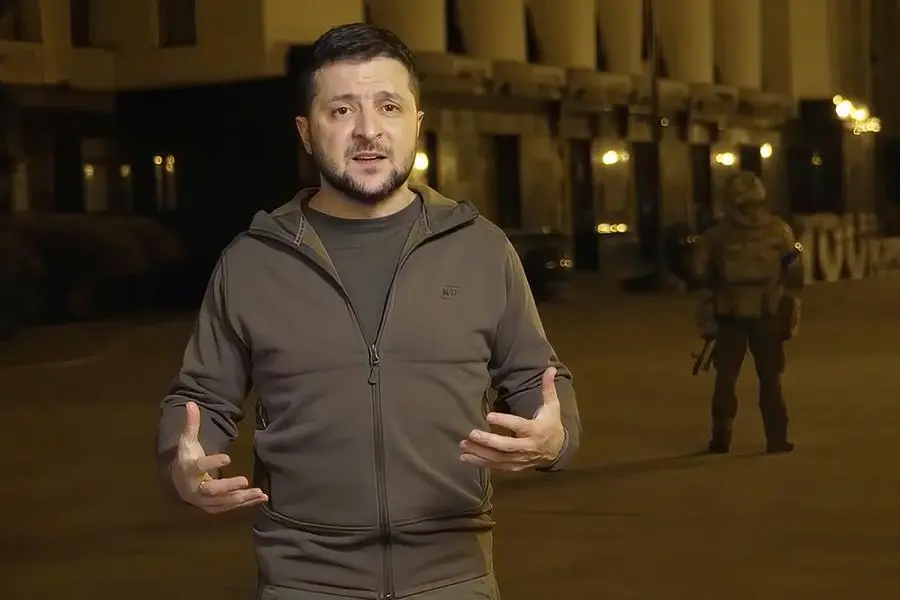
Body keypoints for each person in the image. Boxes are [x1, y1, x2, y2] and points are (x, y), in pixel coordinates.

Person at [155, 22, 581, 600]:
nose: (368, 130)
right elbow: (200, 398)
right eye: (341, 110)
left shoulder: (481, 249)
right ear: (306, 132)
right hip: (305, 581)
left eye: (388, 106)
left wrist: (553, 439)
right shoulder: (253, 261)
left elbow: (539, 379)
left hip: (454, 577)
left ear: (417, 124)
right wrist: (183, 466)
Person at [690, 171, 803, 454]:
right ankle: (776, 438)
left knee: (726, 377)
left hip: (731, 314)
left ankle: (721, 438)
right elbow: (793, 264)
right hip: (766, 312)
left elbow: (698, 271)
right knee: (770, 378)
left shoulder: (716, 235)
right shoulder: (779, 229)